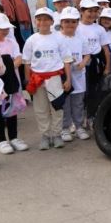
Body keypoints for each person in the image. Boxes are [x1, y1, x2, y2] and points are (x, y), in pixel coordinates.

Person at [23, 8, 71, 151]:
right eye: (39, 19)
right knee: (40, 109)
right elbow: (27, 62)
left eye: (46, 19)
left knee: (57, 107)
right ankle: (45, 135)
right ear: (35, 22)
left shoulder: (59, 38)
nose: (43, 22)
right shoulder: (31, 40)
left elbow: (66, 60)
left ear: (51, 21)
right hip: (37, 79)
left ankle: (57, 135)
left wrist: (68, 79)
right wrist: (27, 80)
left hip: (55, 77)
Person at [0, 13, 27, 155]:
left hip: (11, 79)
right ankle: (2, 140)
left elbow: (19, 58)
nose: (6, 31)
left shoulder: (11, 42)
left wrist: (7, 68)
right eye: (2, 28)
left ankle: (14, 138)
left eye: (7, 28)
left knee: (12, 109)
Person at [57, 7, 89, 144]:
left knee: (78, 103)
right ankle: (65, 128)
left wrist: (83, 63)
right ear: (61, 22)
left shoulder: (81, 38)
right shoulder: (57, 38)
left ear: (77, 23)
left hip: (79, 76)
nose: (70, 24)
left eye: (73, 21)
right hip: (63, 77)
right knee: (66, 104)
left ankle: (79, 126)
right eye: (67, 21)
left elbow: (87, 54)